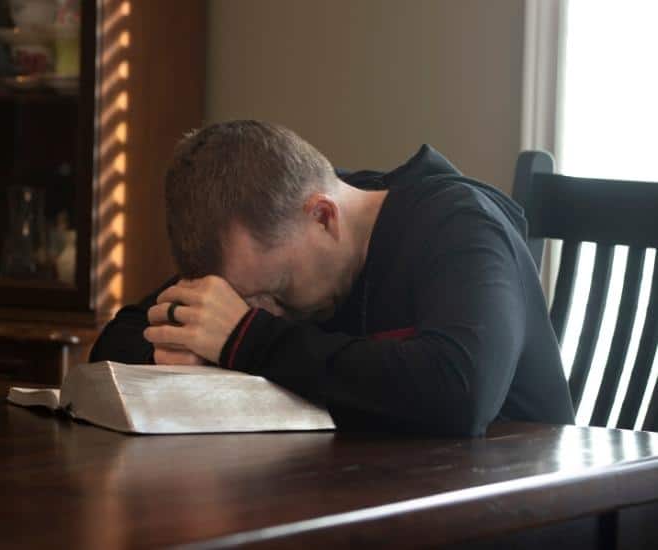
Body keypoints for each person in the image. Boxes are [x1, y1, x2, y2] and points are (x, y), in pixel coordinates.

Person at [89, 120, 575, 436]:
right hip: (367, 494)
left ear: (323, 217)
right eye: (243, 301)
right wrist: (187, 341)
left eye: (274, 292)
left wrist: (245, 339)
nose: (265, 312)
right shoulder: (270, 236)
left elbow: (461, 392)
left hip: (522, 508)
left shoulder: (461, 225)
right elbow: (115, 342)